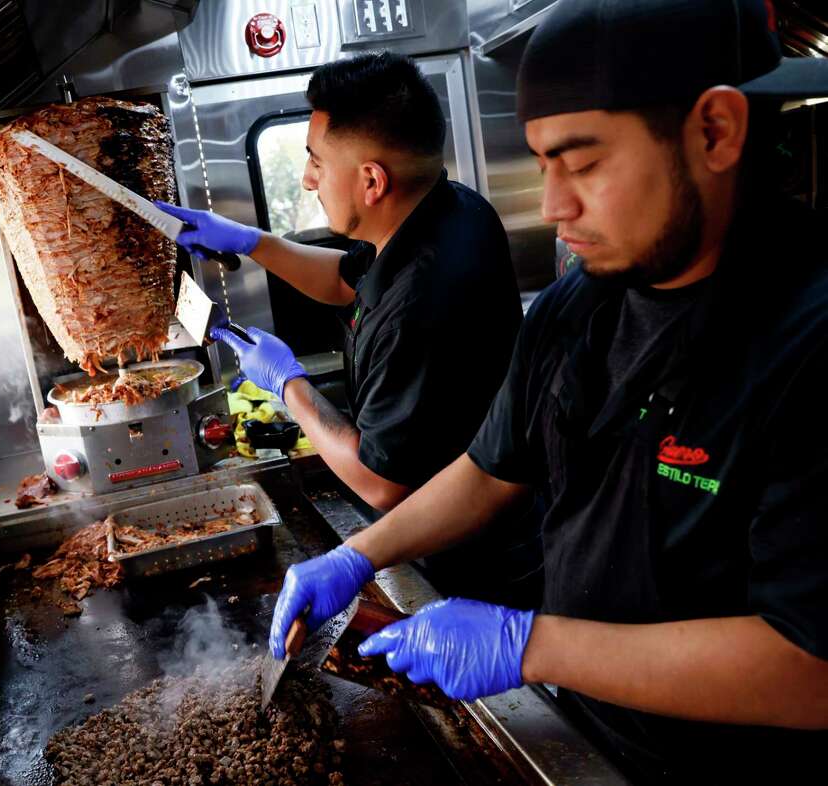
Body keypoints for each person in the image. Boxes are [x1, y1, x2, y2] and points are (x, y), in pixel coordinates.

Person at [266, 0, 828, 781]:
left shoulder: (806, 338)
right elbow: (493, 469)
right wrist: (357, 555)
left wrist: (529, 644)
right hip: (587, 732)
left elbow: (811, 667)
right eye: (542, 166)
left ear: (715, 132)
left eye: (584, 162)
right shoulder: (582, 302)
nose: (556, 207)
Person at [158, 53, 536, 605]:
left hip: (477, 558)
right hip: (469, 526)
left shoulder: (423, 301)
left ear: (372, 181)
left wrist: (290, 385)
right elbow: (343, 280)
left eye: (315, 162)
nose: (308, 179)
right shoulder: (449, 210)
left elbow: (382, 483)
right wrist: (250, 240)